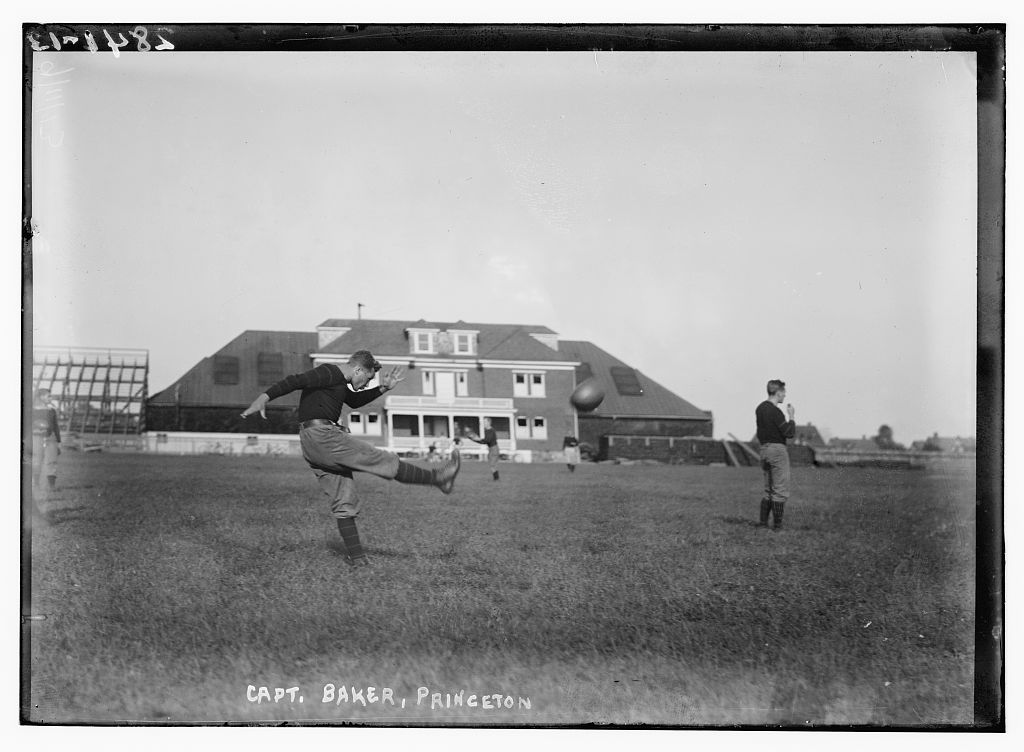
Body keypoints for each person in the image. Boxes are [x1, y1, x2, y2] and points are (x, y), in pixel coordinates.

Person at [240, 350, 461, 567]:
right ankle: (438, 477)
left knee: (344, 500)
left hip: (312, 443)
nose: (367, 383)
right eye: (368, 378)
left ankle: (358, 560)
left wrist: (383, 387)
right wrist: (263, 398)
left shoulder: (337, 383)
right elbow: (294, 380)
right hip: (324, 437)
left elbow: (354, 401)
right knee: (378, 458)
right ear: (357, 369)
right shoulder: (329, 372)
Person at [755, 379, 796, 530]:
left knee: (769, 490)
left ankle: (762, 524)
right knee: (780, 491)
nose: (784, 395)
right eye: (784, 392)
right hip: (777, 450)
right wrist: (791, 416)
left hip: (764, 450)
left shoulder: (760, 408)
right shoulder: (776, 411)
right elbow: (789, 433)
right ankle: (777, 527)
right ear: (778, 392)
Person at [31, 388, 61, 492]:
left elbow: (56, 426)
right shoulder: (31, 410)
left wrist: (58, 442)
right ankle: (36, 484)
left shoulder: (51, 411)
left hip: (51, 438)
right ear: (41, 397)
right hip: (36, 437)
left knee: (52, 461)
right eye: (49, 396)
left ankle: (52, 486)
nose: (51, 398)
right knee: (37, 461)